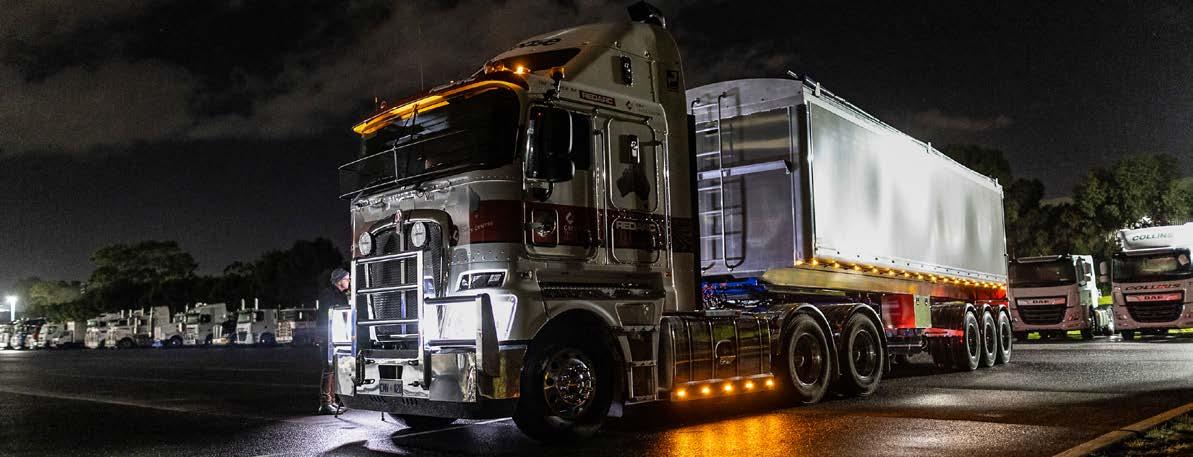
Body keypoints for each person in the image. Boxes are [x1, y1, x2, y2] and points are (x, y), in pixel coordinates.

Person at [317, 267, 351, 415]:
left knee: (333, 369)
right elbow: (330, 315)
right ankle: (325, 403)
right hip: (328, 336)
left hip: (336, 335)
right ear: (339, 280)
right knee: (328, 368)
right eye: (347, 279)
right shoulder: (329, 294)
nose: (349, 281)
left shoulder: (339, 294)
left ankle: (331, 401)